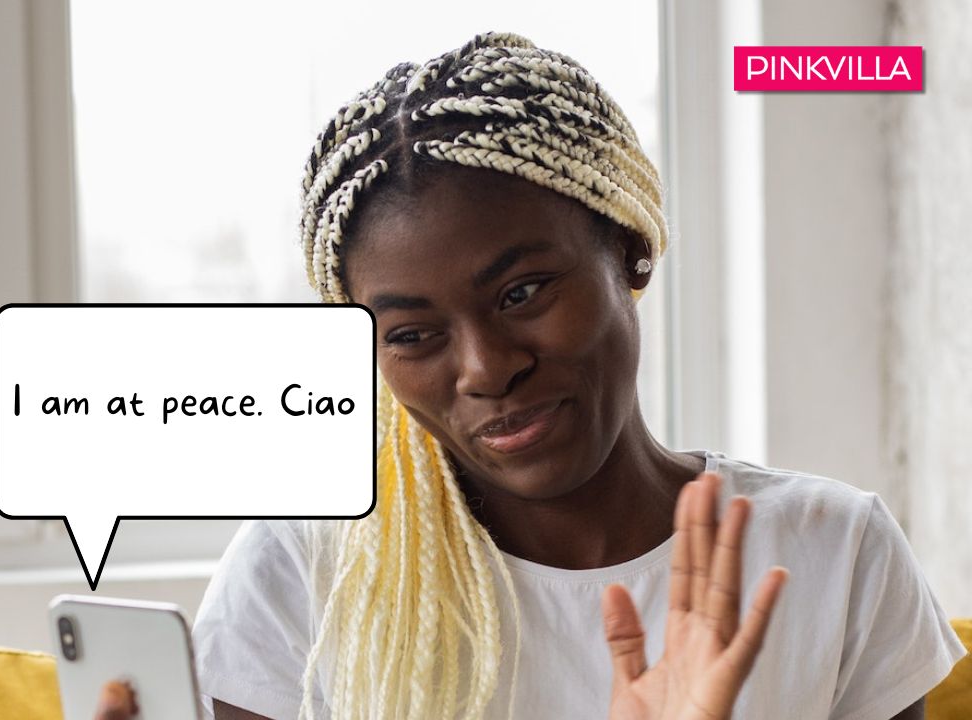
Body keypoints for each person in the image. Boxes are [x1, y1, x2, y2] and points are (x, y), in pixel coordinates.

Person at [184, 31, 964, 719]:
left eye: (522, 294)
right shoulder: (301, 571)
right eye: (415, 335)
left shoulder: (833, 552)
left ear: (629, 246)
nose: (488, 369)